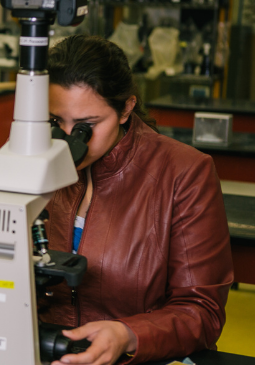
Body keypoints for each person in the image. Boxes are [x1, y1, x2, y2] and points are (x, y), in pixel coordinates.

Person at [40, 35, 233, 365]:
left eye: (86, 126)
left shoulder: (183, 173)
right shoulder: (41, 162)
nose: (70, 142)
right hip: (47, 348)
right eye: (57, 122)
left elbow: (202, 312)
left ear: (126, 108)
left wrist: (128, 333)